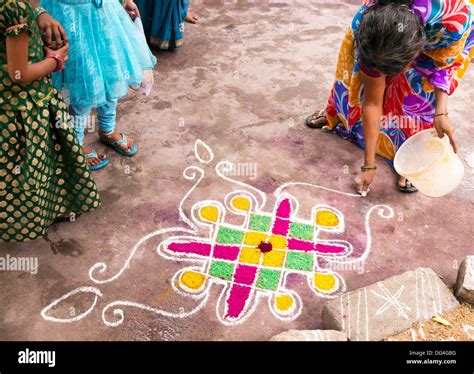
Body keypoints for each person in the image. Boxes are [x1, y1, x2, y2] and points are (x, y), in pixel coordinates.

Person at [306, 0, 473, 194]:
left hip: (444, 32)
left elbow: (443, 67)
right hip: (384, 27)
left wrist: (441, 112)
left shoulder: (454, 20)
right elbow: (372, 101)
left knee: (416, 94)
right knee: (358, 83)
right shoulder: (370, 25)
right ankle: (340, 115)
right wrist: (369, 165)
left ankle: (409, 149)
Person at [0, 0, 100, 242]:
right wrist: (55, 60)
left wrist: (40, 17)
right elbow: (19, 74)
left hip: (19, 101)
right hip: (24, 106)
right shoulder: (16, 8)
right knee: (34, 163)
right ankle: (36, 215)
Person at [39, 0, 157, 170]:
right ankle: (76, 144)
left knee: (112, 74)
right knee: (84, 84)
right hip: (70, 17)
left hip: (105, 14)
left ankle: (107, 129)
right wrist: (39, 14)